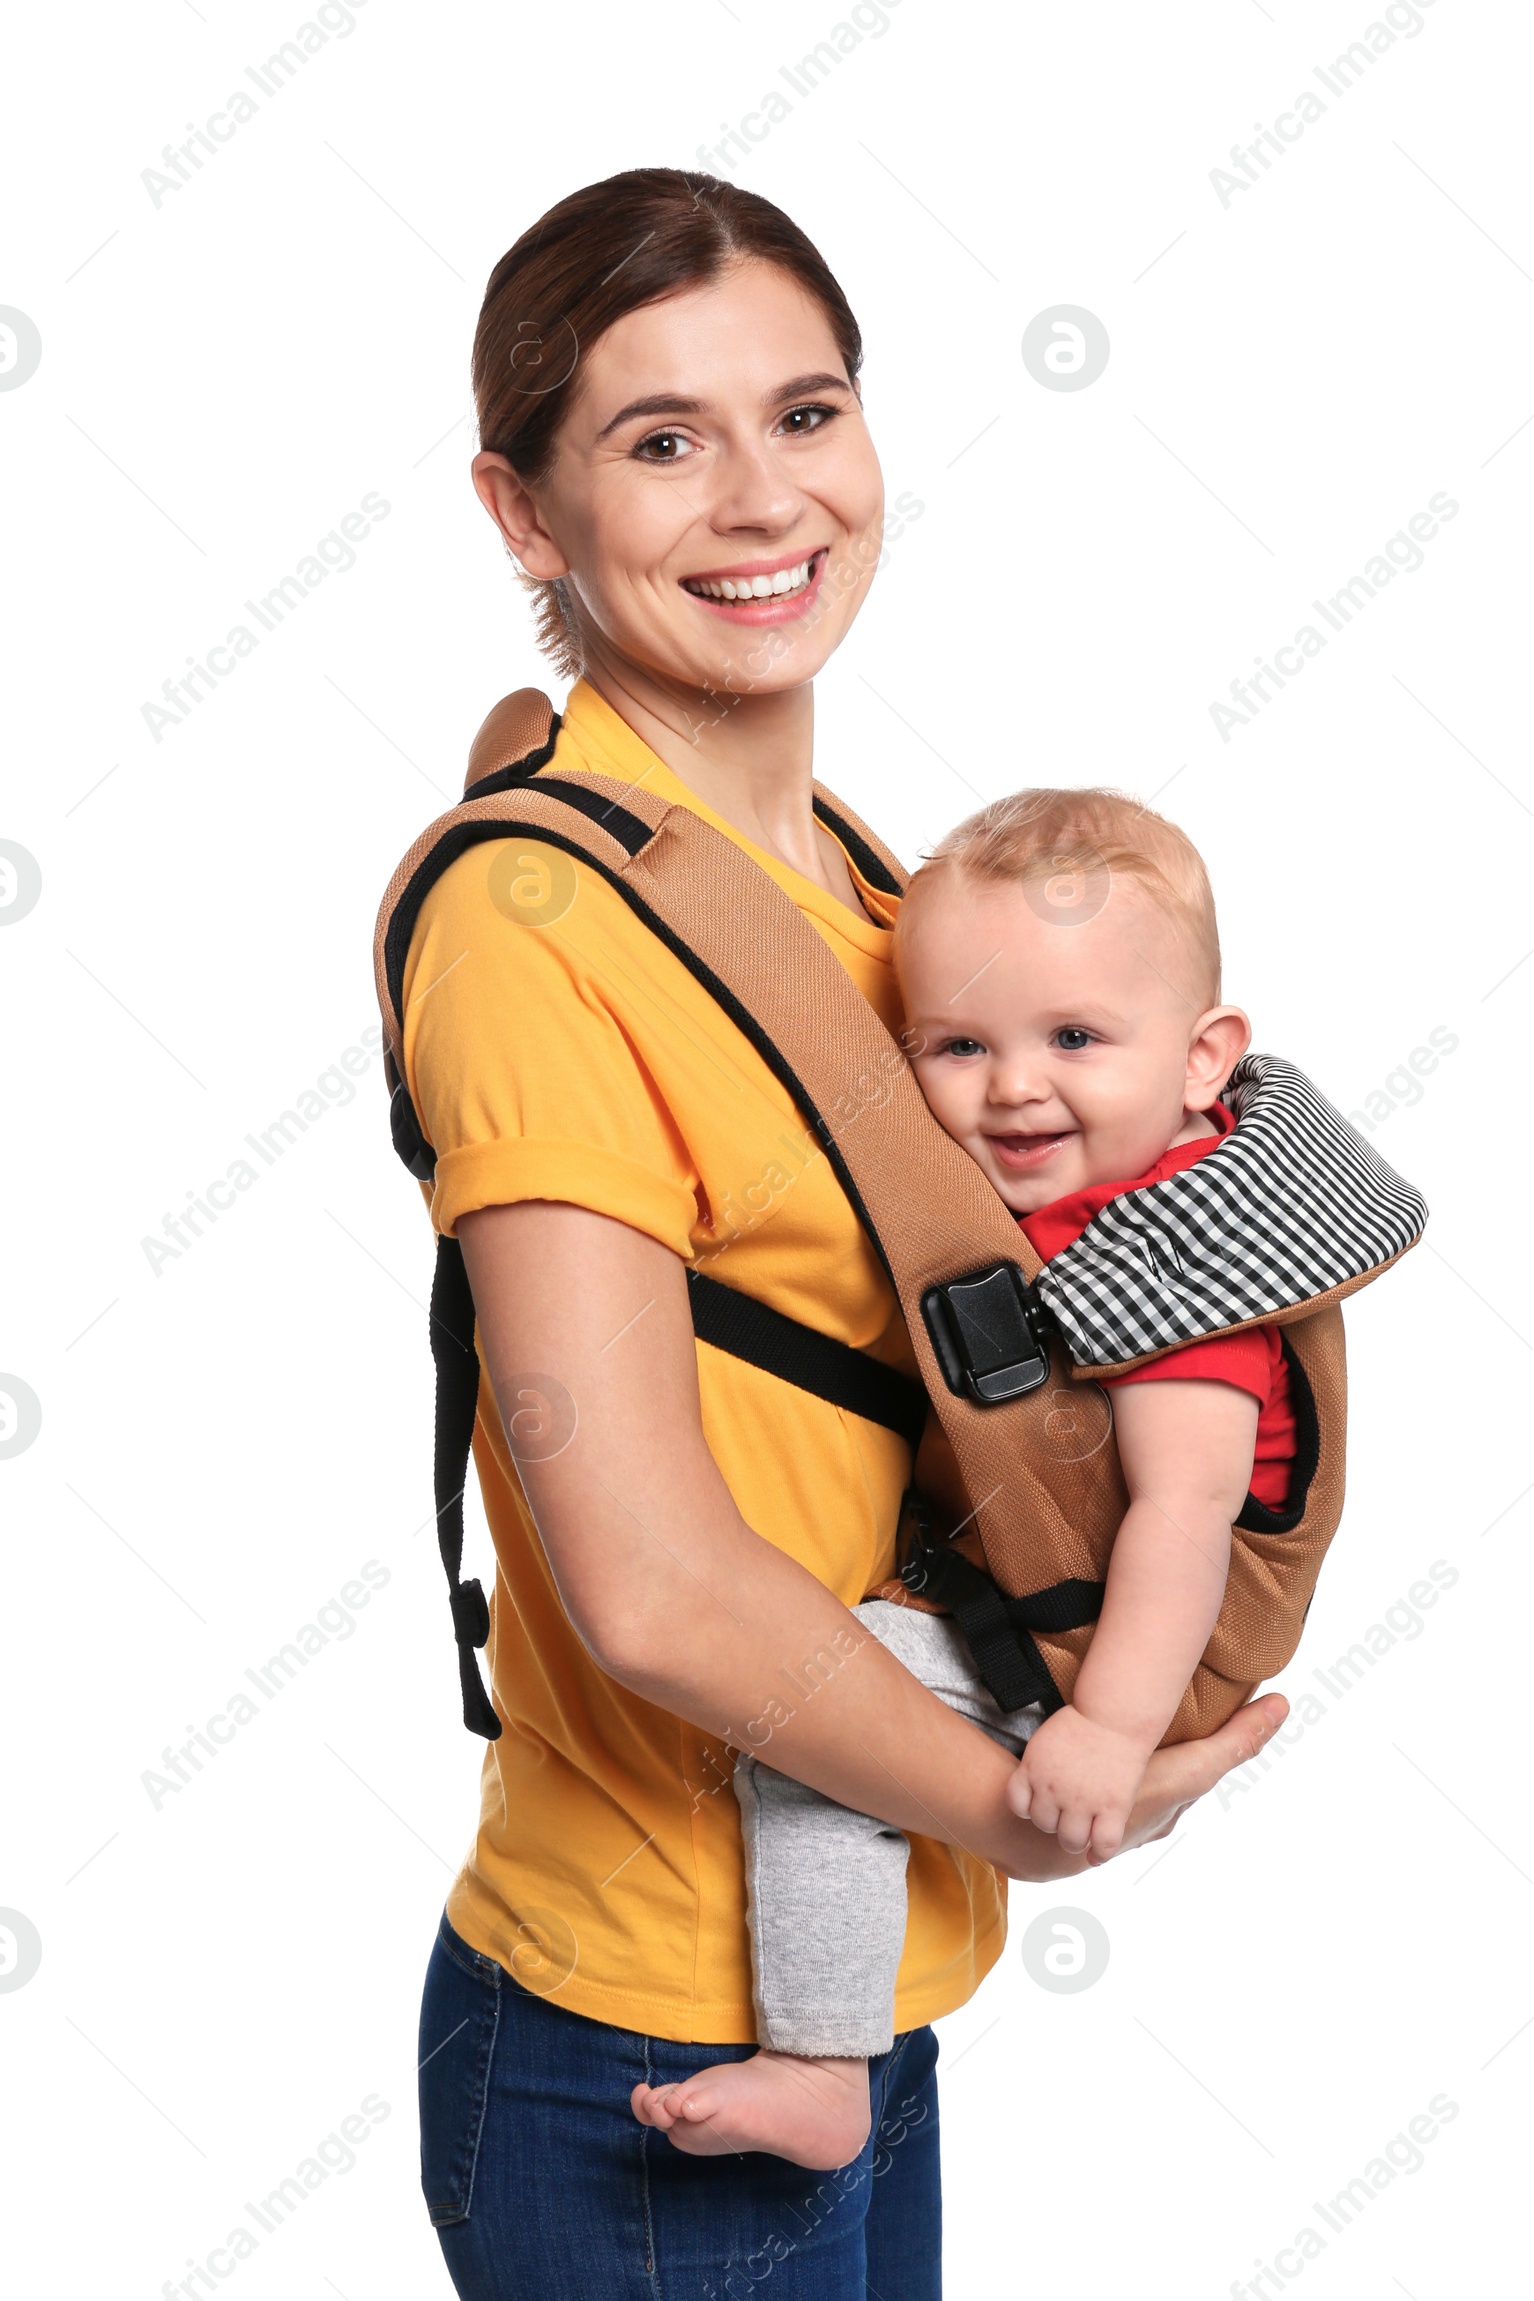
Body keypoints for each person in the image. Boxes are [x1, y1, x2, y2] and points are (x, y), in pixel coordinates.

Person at [405, 167, 1286, 2301]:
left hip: (854, 1986)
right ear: (523, 514)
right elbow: (652, 1585)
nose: (753, 497)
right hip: (645, 2018)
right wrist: (1043, 1800)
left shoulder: (881, 900)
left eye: (802, 414)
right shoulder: (538, 920)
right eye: (657, 438)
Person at [635, 785, 1302, 2170]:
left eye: (1073, 1037)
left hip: (1132, 1644)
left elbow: (1185, 1514)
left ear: (1203, 1058)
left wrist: (1113, 1734)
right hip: (1068, 1599)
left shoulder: (1174, 1269)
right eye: (956, 1043)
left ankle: (820, 2062)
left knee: (820, 1711)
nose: (1011, 1084)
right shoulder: (1081, 1189)